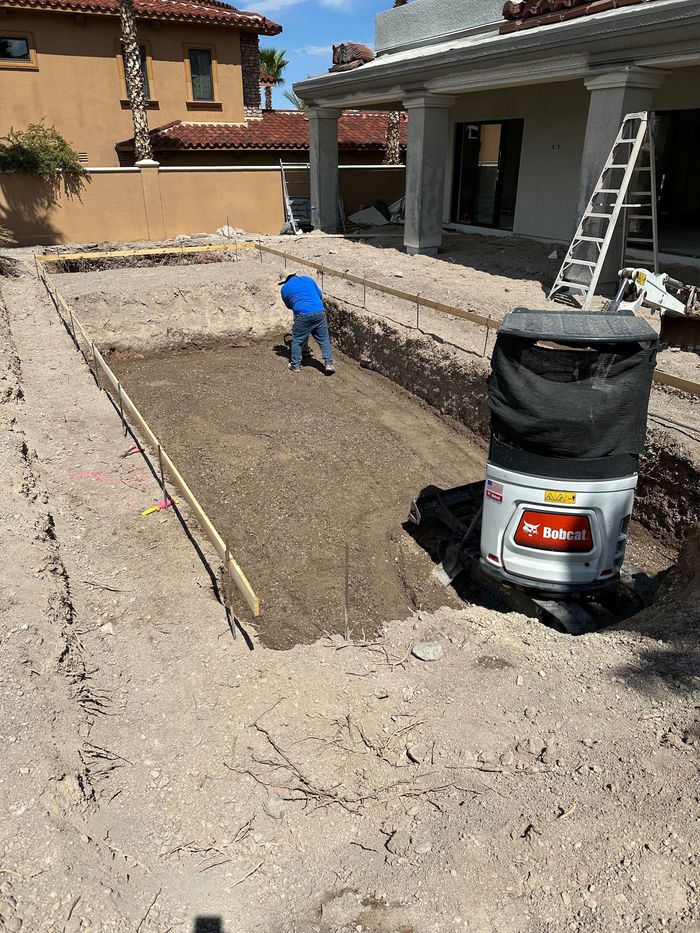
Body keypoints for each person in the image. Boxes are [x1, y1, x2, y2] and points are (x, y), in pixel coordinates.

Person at [278, 270, 335, 375]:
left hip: (303, 315)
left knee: (297, 340)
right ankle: (329, 364)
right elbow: (319, 295)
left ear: (285, 280)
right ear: (294, 274)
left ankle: (295, 365)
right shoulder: (308, 280)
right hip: (319, 312)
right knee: (323, 339)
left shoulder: (284, 289)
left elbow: (289, 305)